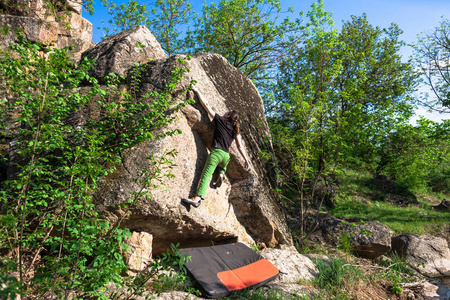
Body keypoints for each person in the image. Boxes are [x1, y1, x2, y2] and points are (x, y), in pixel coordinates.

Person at [182, 87, 250, 208]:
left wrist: (197, 91)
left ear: (228, 115)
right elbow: (239, 146)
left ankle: (197, 199)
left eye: (227, 112)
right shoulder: (235, 130)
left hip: (216, 153)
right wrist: (245, 159)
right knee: (221, 165)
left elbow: (206, 105)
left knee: (206, 175)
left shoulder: (220, 120)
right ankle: (222, 173)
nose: (225, 112)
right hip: (226, 157)